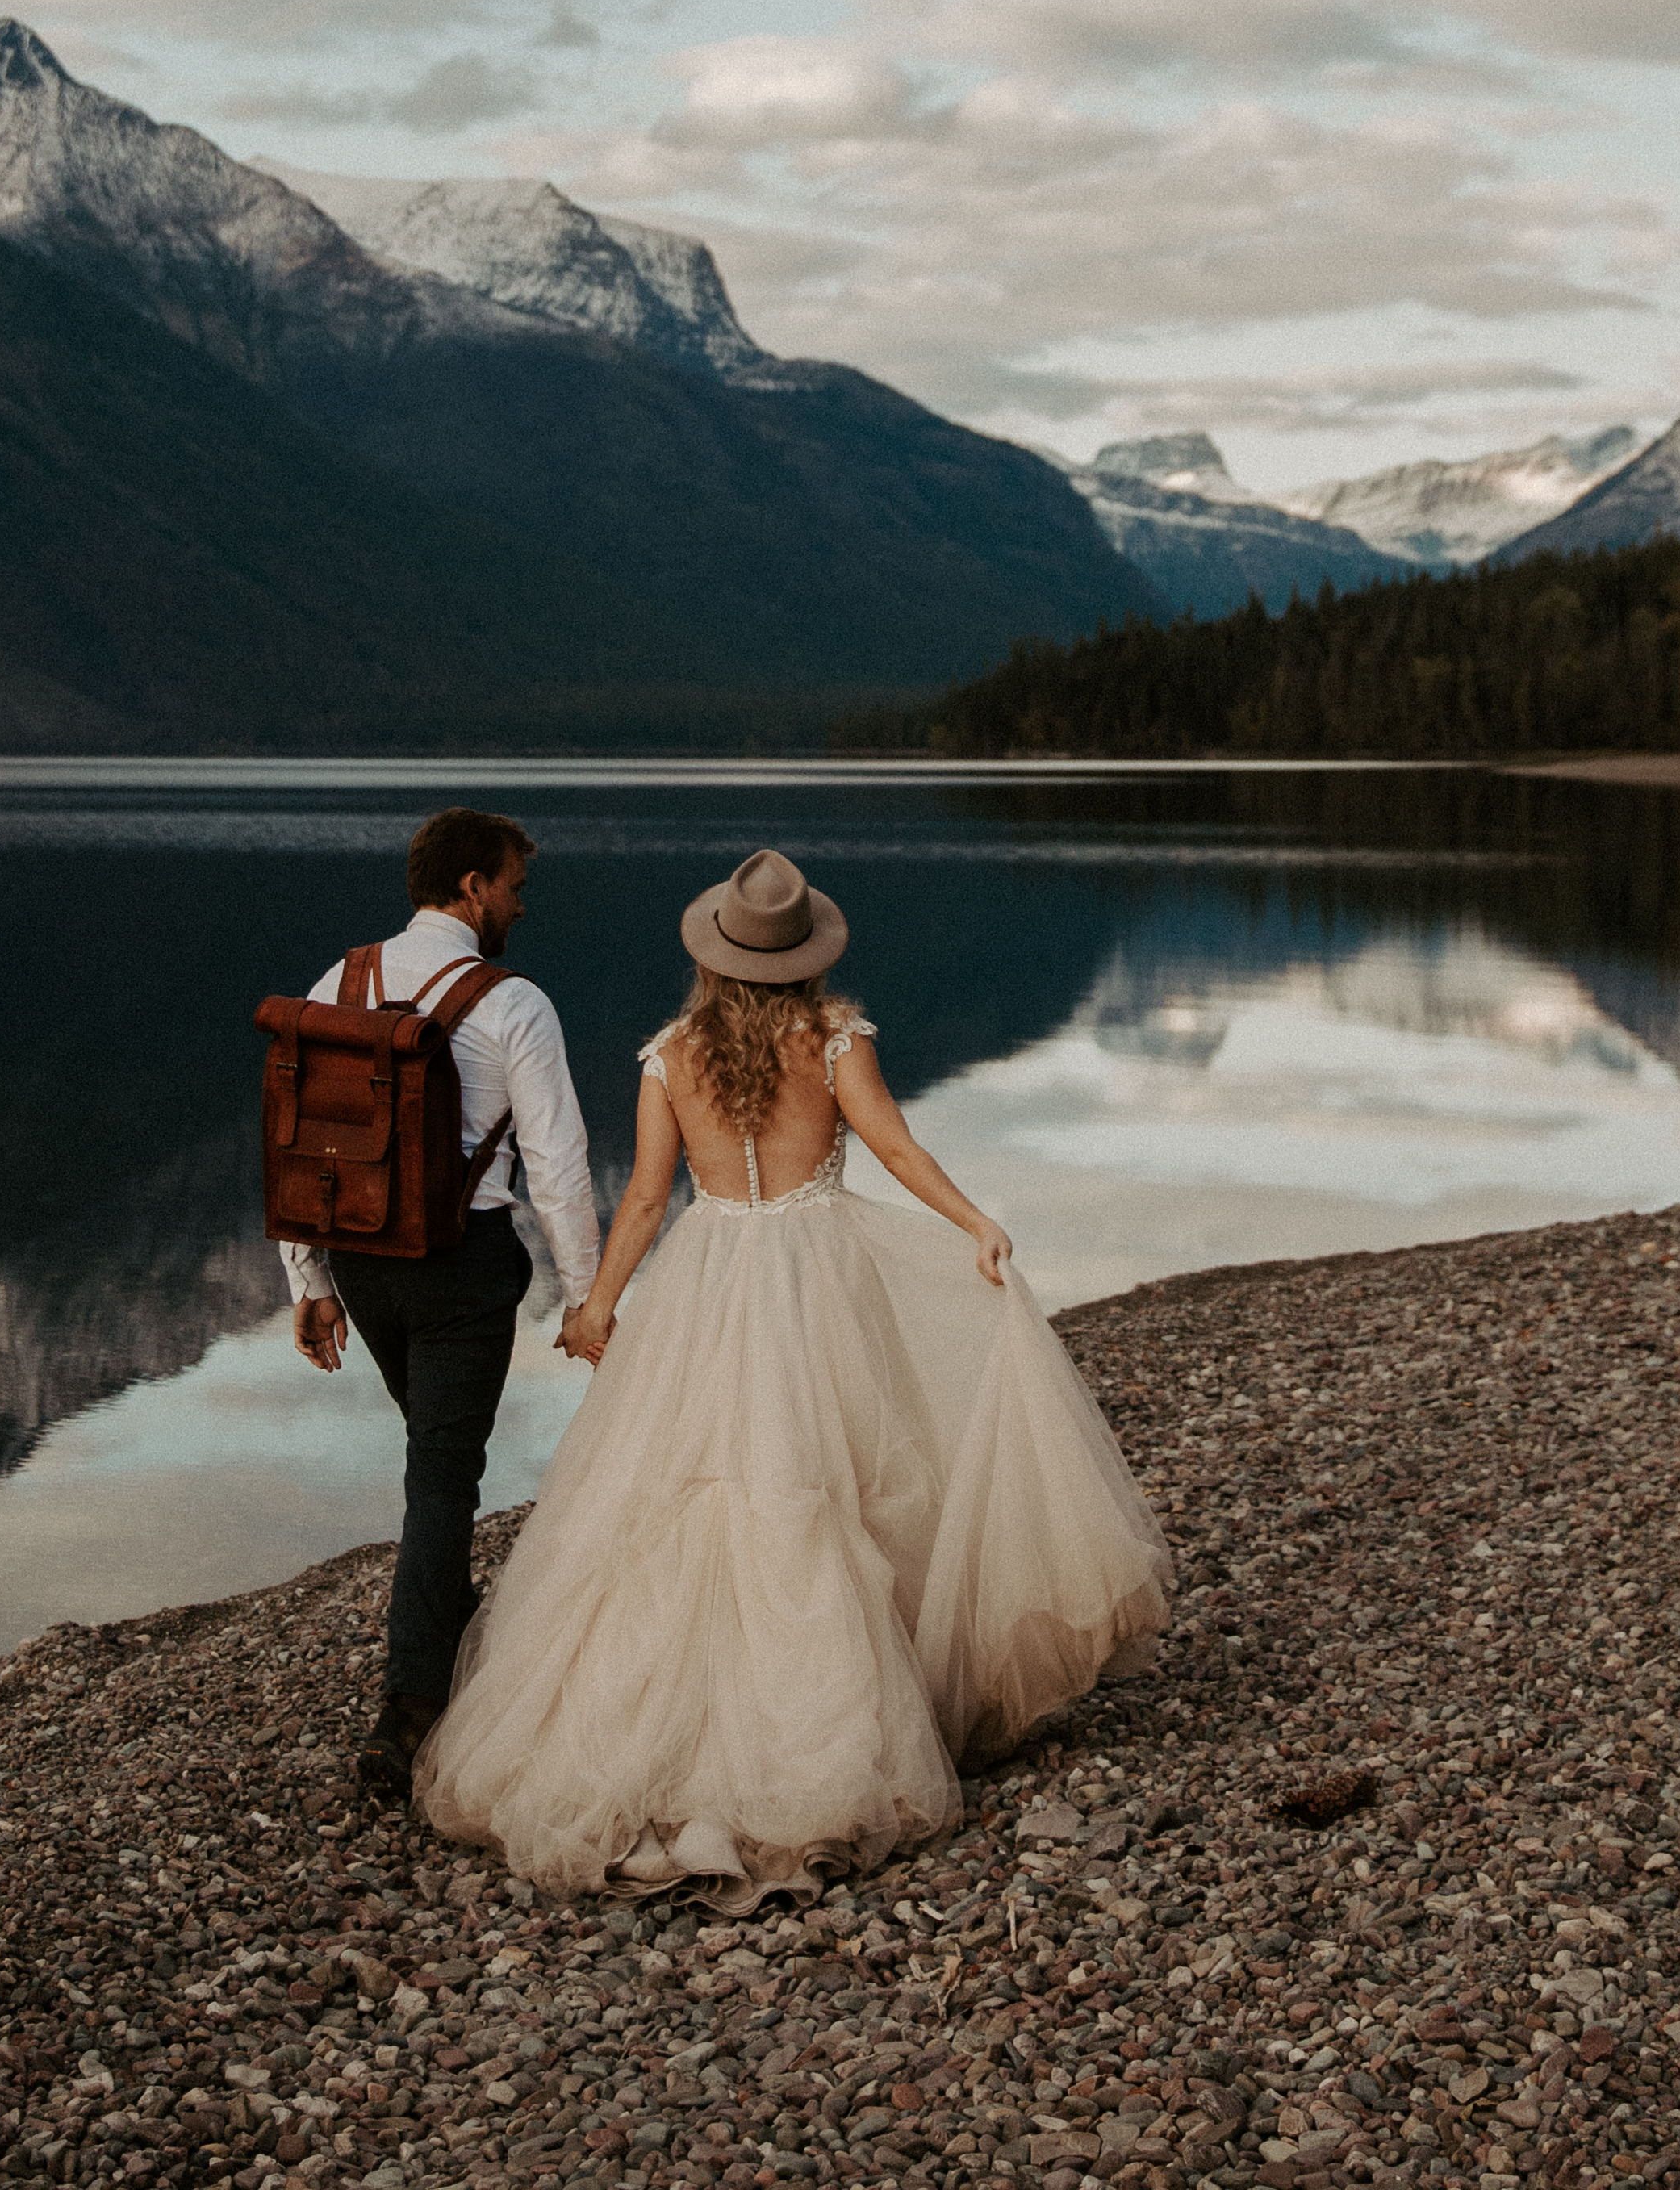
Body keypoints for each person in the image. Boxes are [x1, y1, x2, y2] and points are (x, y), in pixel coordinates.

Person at [413, 847, 1172, 1899]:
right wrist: (974, 1225)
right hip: (821, 1272)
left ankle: (672, 1736)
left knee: (689, 1493)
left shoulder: (671, 1057)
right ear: (804, 954)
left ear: (716, 955)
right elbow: (897, 1150)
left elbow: (641, 1202)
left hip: (710, 1277)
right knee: (831, 1486)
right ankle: (818, 1738)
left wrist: (597, 1305)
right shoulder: (834, 1043)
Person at [286, 804, 601, 1804]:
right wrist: (588, 1297)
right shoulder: (513, 1002)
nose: (518, 901)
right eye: (512, 883)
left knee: (435, 1452)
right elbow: (556, 1166)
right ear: (471, 887)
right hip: (461, 1265)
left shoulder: (340, 980)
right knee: (442, 1477)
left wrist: (311, 1280)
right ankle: (410, 1710)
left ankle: (451, 1629)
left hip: (363, 1259)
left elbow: (306, 1137)